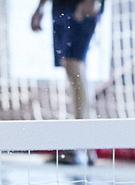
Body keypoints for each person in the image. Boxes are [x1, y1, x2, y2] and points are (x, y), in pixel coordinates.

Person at [32, 0, 104, 162]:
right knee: (72, 70)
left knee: (76, 68)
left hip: (79, 6)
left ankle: (81, 145)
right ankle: (84, 146)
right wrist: (40, 8)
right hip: (61, 7)